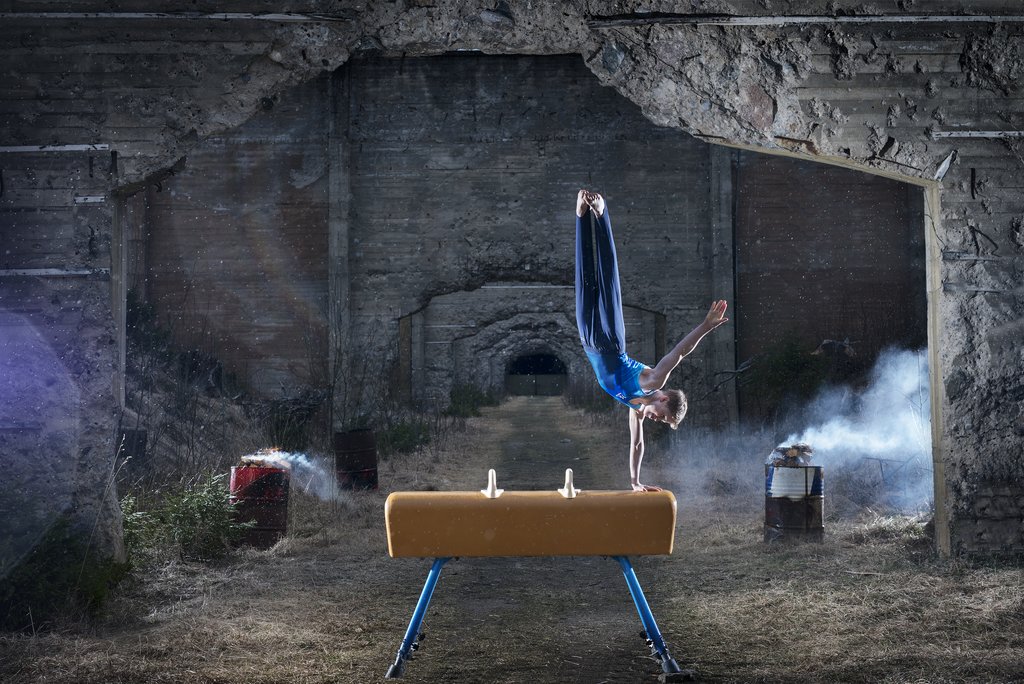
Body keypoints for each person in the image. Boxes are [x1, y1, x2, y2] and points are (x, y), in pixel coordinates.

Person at [575, 189, 729, 491]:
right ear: (663, 399)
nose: (657, 421)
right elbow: (680, 352)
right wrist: (706, 326)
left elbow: (637, 445)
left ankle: (581, 215)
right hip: (610, 341)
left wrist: (635, 482)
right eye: (663, 417)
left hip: (589, 341)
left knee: (585, 279)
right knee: (606, 280)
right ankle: (601, 215)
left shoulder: (636, 409)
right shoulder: (653, 380)